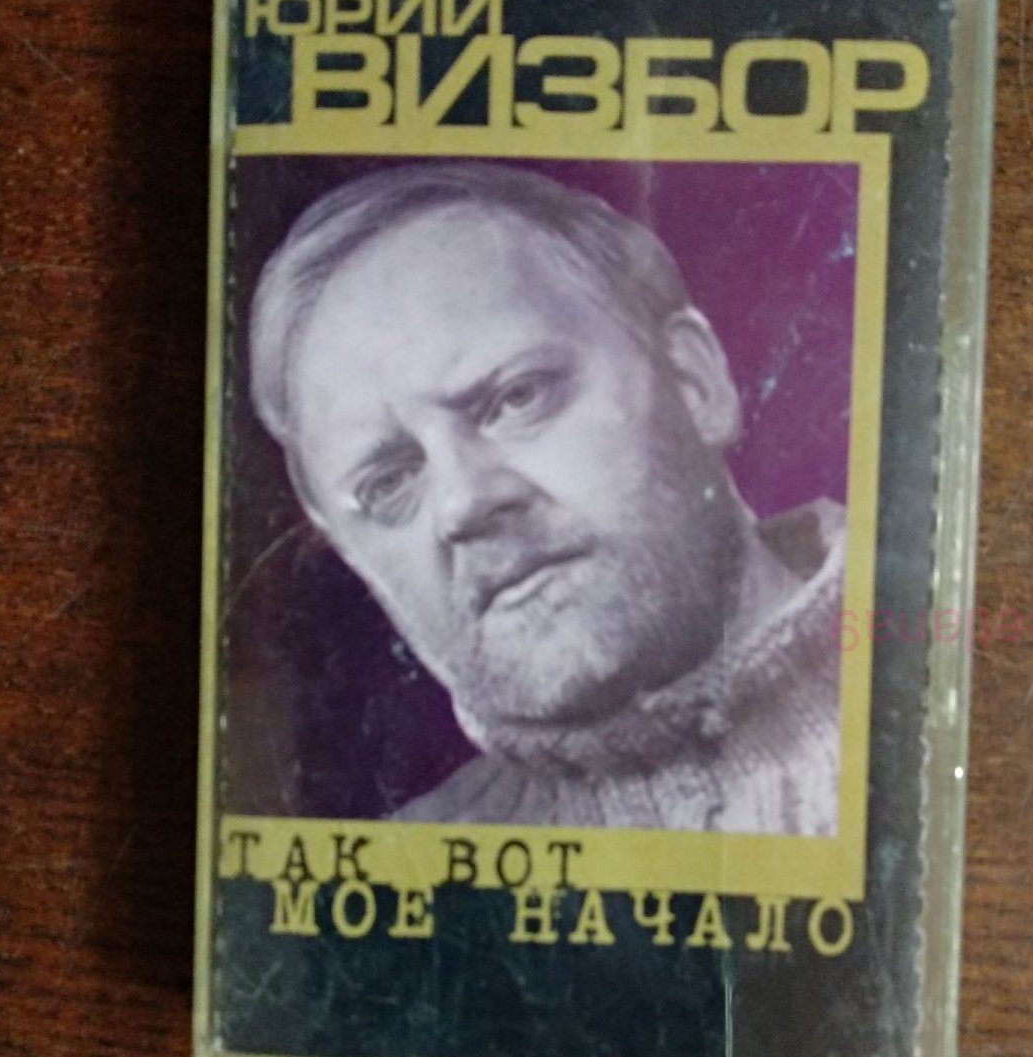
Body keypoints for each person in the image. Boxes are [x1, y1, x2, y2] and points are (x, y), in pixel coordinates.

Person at [250, 162, 844, 835]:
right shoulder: (389, 875)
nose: (463, 503)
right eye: (386, 483)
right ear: (354, 557)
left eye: (518, 396)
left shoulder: (931, 700)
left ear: (694, 382)